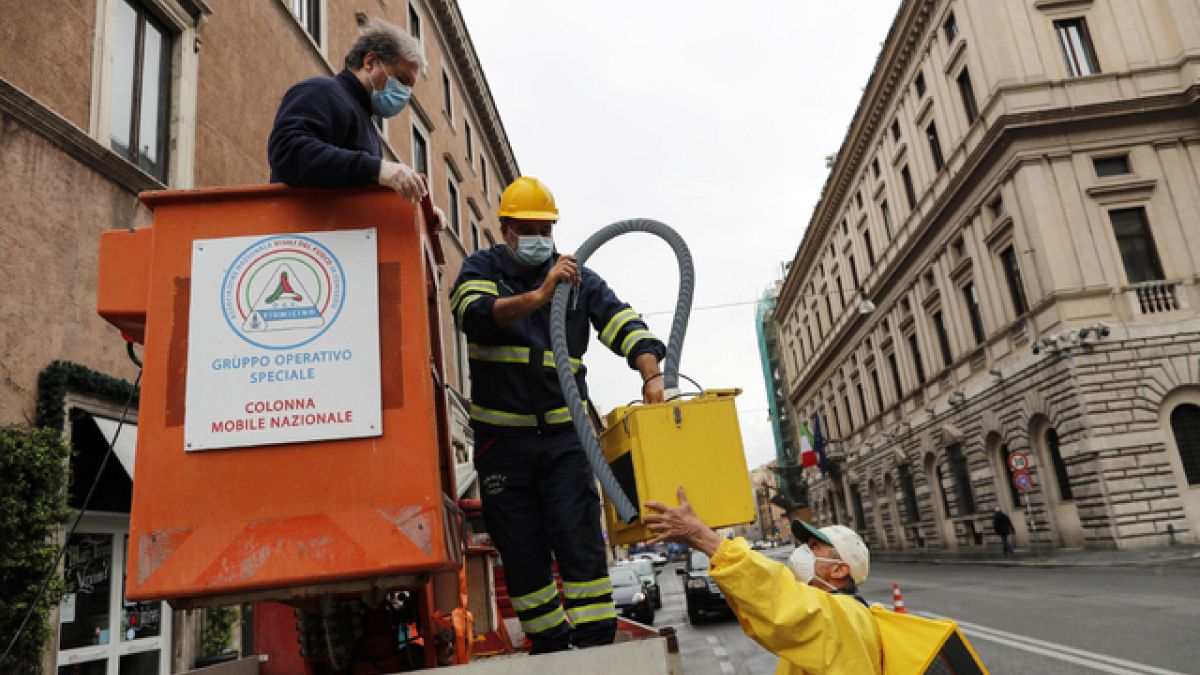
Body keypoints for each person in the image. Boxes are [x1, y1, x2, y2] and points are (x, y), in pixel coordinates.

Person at [449, 176, 665, 654]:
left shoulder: (576, 276)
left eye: (545, 228)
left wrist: (650, 372)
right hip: (503, 446)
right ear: (505, 229)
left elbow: (621, 321)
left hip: (565, 441)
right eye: (528, 228)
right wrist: (540, 296)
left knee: (579, 541)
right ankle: (549, 647)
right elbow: (474, 315)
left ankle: (596, 646)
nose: (539, 238)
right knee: (523, 556)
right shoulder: (481, 269)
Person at [646, 488, 882, 675]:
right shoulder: (838, 611)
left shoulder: (848, 615)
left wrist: (700, 536)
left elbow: (774, 595)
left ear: (840, 570)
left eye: (814, 547)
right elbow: (760, 612)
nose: (803, 552)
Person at [267, 17, 428, 203]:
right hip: (301, 230)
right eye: (401, 79)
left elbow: (360, 191)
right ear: (370, 62)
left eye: (409, 88)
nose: (404, 94)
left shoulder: (367, 124)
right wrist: (376, 169)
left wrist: (422, 209)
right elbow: (287, 152)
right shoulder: (321, 90)